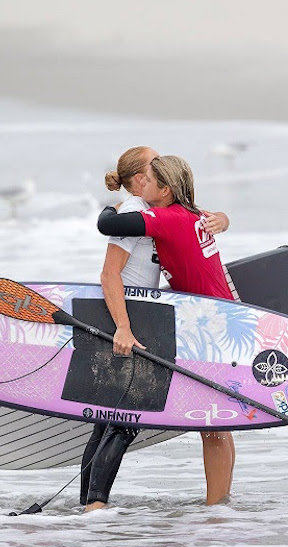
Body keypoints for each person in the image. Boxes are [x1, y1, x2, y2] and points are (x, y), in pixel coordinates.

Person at [82, 147, 230, 512]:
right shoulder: (175, 213)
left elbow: (106, 225)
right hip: (198, 317)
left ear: (165, 189)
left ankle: (93, 509)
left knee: (121, 419)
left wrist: (109, 207)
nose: (147, 181)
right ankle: (218, 510)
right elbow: (110, 270)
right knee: (119, 419)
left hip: (201, 322)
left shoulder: (164, 217)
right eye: (147, 172)